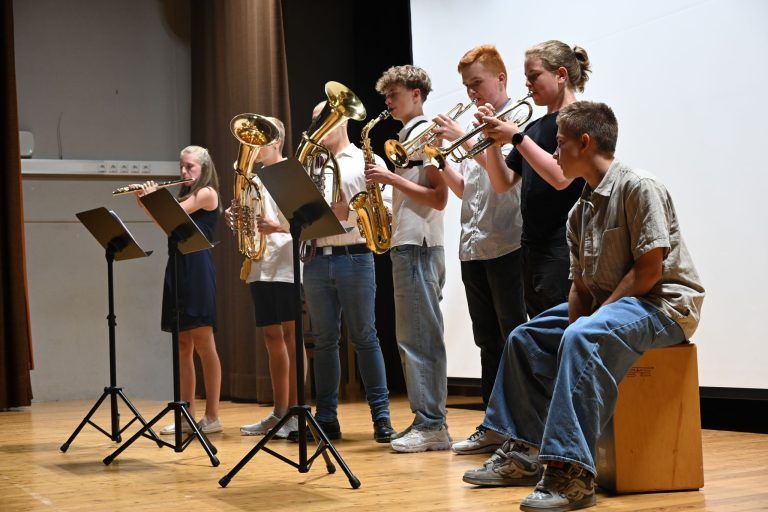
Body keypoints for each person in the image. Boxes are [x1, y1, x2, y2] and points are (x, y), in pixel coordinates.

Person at [461, 101, 705, 512]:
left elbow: (648, 273)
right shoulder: (580, 209)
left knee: (584, 334)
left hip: (663, 306)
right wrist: (577, 324)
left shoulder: (638, 186)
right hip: (620, 303)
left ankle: (571, 474)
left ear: (584, 142)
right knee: (526, 336)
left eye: (559, 144)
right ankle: (523, 449)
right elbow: (580, 286)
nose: (555, 154)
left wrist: (589, 322)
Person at [431, 45, 527, 430]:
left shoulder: (516, 120)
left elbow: (502, 179)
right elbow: (466, 189)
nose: (471, 92)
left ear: (501, 79)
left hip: (507, 243)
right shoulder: (475, 124)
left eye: (477, 83)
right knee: (486, 340)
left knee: (512, 337)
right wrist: (441, 160)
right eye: (467, 86)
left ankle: (517, 425)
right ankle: (493, 422)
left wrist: (465, 141)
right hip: (473, 246)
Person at [295, 101, 395, 443]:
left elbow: (386, 211)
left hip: (354, 255)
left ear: (340, 121)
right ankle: (326, 418)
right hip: (316, 260)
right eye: (313, 120)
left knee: (365, 338)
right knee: (324, 342)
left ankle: (381, 418)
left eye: (321, 119)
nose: (315, 126)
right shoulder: (311, 164)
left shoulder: (367, 160)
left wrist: (347, 214)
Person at [367, 65, 451, 453]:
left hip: (418, 244)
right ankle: (425, 419)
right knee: (411, 337)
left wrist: (390, 179)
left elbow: (439, 196)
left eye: (395, 94)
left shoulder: (424, 134)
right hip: (408, 243)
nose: (388, 101)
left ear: (416, 94)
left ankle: (433, 425)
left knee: (420, 338)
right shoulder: (407, 135)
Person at [480, 40, 591, 319]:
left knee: (559, 334)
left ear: (561, 75)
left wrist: (516, 138)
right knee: (540, 339)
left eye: (534, 76)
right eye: (526, 78)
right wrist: (491, 142)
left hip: (562, 247)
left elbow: (560, 177)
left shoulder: (579, 119)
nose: (528, 85)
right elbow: (503, 183)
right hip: (531, 248)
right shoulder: (534, 127)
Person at [223, 118, 307, 440]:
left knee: (290, 335)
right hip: (260, 263)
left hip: (286, 262)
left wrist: (279, 226)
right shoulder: (252, 178)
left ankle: (297, 412)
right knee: (271, 336)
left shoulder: (291, 173)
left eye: (258, 142)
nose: (251, 148)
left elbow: (307, 219)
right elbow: (249, 222)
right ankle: (279, 411)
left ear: (274, 142)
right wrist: (236, 218)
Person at [135, 145, 223, 435]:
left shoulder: (206, 193)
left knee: (203, 344)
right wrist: (146, 202)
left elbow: (174, 213)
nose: (184, 172)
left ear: (203, 169)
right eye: (182, 167)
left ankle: (212, 416)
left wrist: (151, 199)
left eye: (190, 167)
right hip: (178, 265)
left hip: (197, 267)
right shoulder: (184, 196)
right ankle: (186, 415)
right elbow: (168, 224)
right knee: (183, 345)